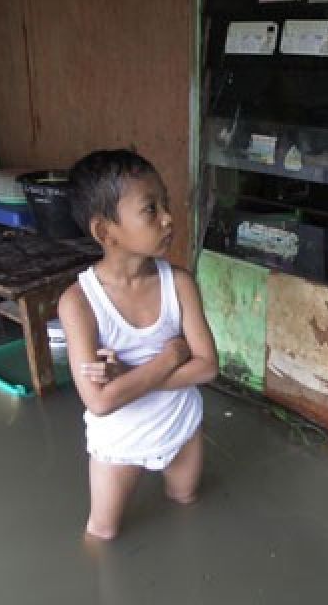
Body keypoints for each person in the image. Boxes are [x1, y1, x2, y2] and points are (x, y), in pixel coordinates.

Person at [57, 149, 218, 540]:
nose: (168, 218)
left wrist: (129, 376)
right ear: (104, 232)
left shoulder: (178, 282)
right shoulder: (79, 303)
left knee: (185, 503)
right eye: (151, 209)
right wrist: (172, 356)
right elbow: (99, 401)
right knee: (102, 532)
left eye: (165, 203)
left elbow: (209, 367)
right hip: (121, 441)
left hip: (181, 425)